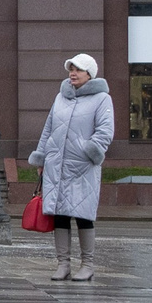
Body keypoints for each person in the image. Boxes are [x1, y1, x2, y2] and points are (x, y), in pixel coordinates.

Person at [28, 53, 115, 282]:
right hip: (57, 165)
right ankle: (63, 264)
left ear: (90, 74)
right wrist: (42, 158)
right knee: (59, 215)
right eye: (71, 69)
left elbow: (105, 132)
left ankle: (88, 264)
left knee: (83, 215)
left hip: (83, 167)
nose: (72, 73)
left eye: (78, 69)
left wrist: (89, 152)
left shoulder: (102, 99)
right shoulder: (61, 97)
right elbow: (48, 129)